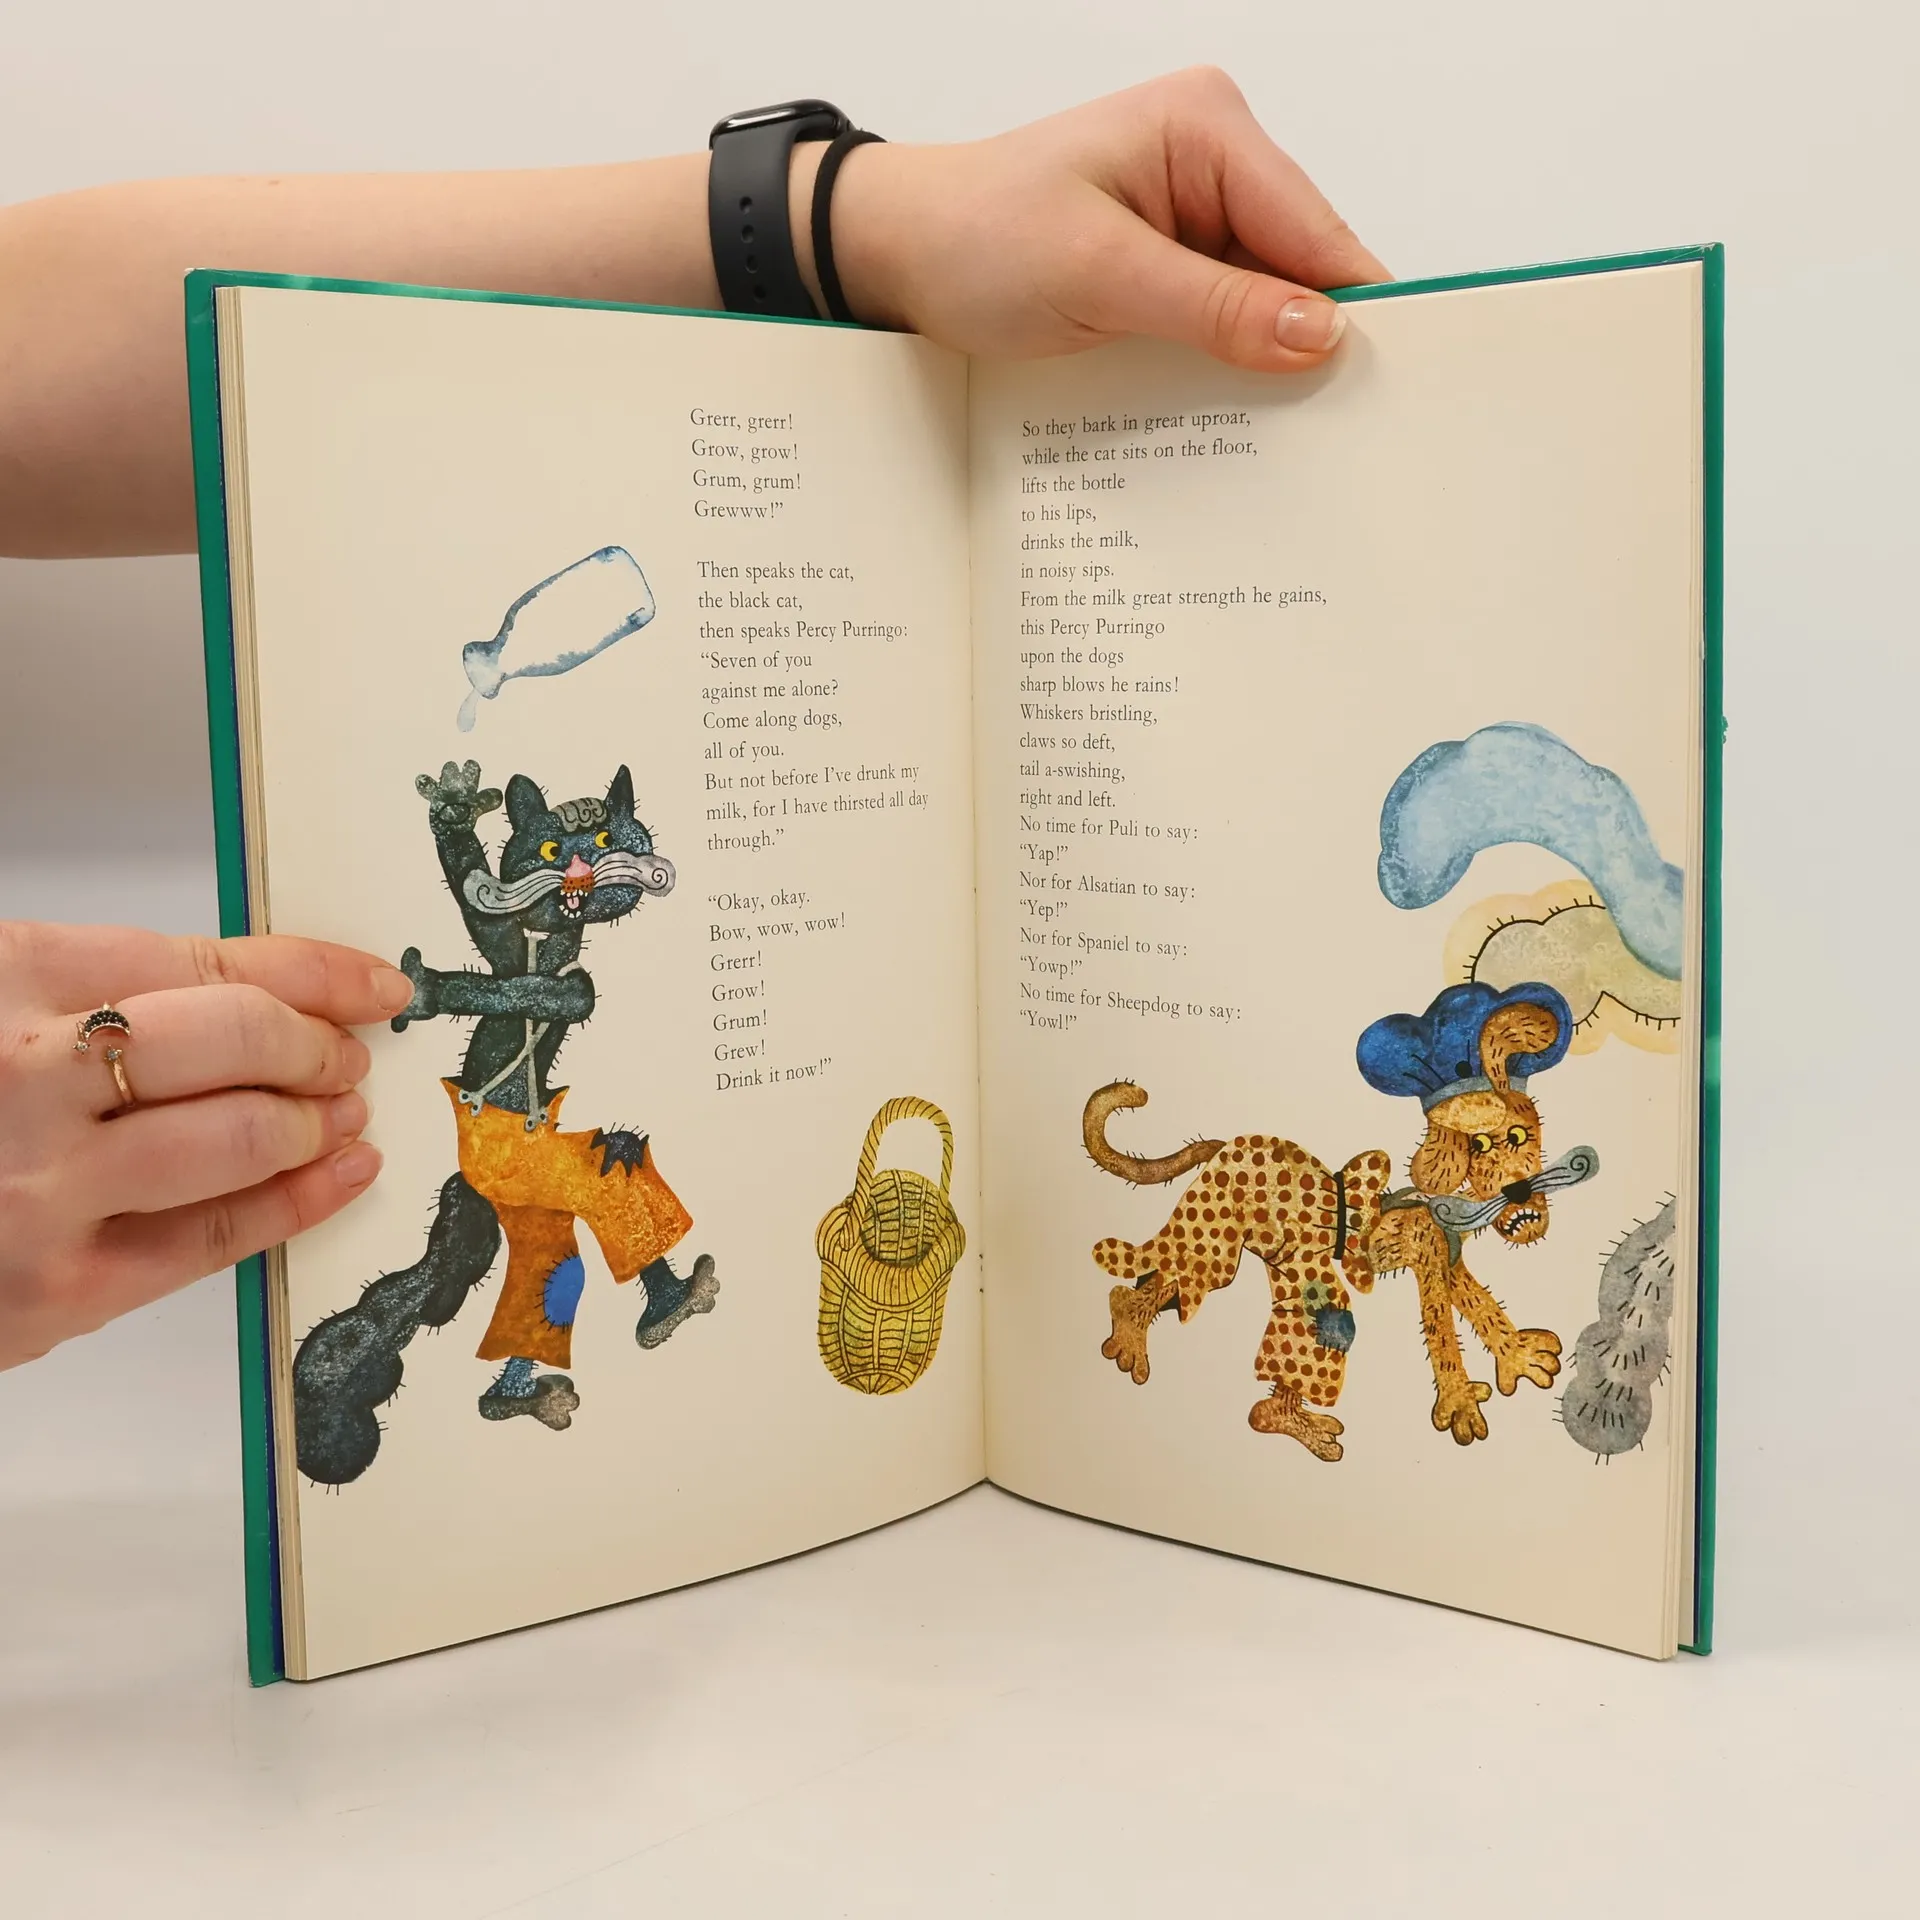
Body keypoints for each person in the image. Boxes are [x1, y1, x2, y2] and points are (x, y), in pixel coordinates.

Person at [0, 66, 1386, 1371]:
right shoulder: (533, 935)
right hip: (484, 1112)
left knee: (520, 1242)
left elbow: (82, 341)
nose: (577, 870)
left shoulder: (553, 921)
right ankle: (637, 1299)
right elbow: (486, 937)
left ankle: (522, 1363)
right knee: (589, 1190)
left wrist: (848, 221)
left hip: (506, 1109)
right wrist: (483, 907)